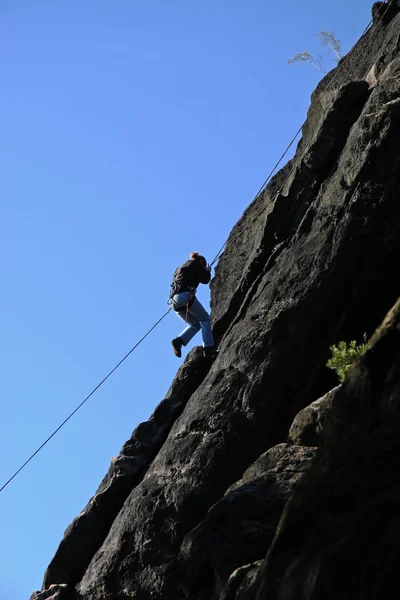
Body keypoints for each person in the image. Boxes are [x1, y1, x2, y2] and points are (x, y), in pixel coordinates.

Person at [168, 252, 216, 359]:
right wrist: (207, 272)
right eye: (203, 265)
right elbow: (205, 280)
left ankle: (178, 341)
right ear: (200, 262)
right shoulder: (195, 264)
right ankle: (208, 348)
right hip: (185, 296)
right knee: (205, 319)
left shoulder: (180, 268)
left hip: (174, 301)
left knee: (195, 324)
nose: (203, 267)